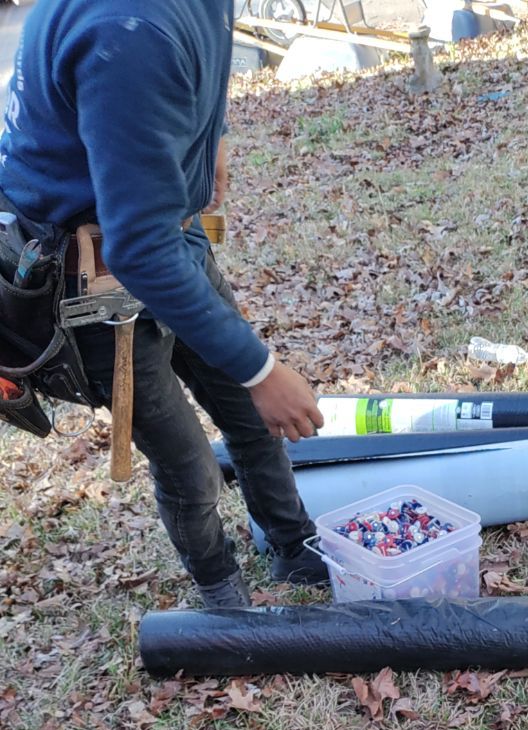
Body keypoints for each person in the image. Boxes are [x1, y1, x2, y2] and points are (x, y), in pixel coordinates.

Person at [0, 0, 328, 608]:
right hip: (91, 272)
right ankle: (222, 596)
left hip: (162, 230)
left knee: (253, 421)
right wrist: (261, 369)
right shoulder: (127, 34)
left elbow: (212, 44)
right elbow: (138, 252)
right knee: (188, 464)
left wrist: (216, 137)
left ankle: (296, 550)